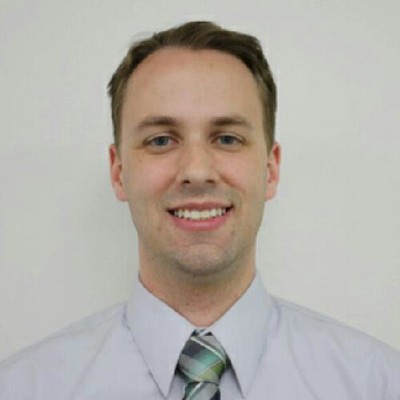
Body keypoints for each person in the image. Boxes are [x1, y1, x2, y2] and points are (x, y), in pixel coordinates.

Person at [0, 21, 399, 400]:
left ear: (271, 169)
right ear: (119, 173)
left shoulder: (377, 384)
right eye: (160, 140)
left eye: (227, 138)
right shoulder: (24, 388)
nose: (196, 171)